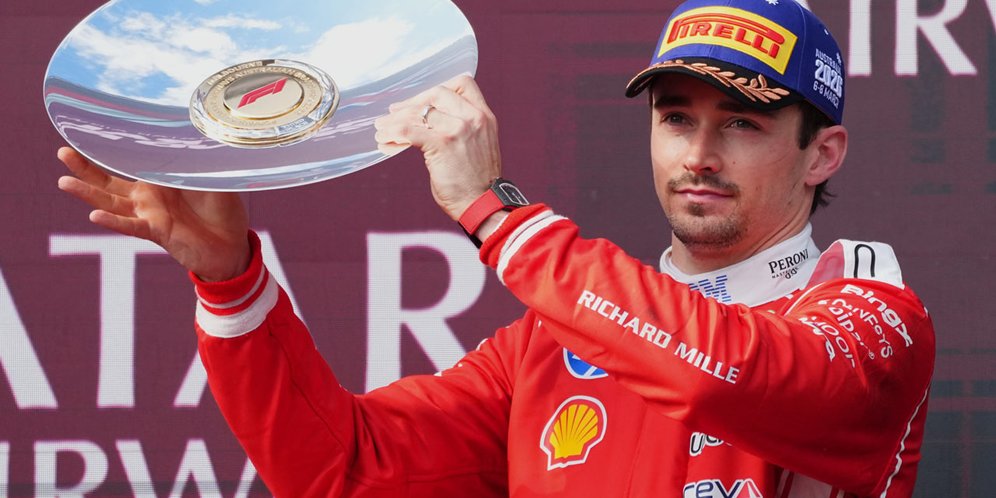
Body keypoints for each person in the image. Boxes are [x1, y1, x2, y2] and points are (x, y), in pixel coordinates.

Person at [58, 0, 935, 496]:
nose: (699, 155)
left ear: (822, 154)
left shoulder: (869, 315)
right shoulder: (551, 344)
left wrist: (496, 212)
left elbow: (724, 372)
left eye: (741, 124)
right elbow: (341, 468)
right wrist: (230, 283)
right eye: (676, 119)